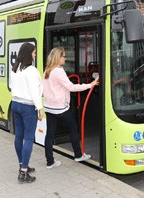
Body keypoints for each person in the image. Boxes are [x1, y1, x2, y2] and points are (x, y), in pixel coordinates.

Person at [43, 47, 99, 169]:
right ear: (58, 57)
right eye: (64, 56)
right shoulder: (58, 71)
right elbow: (71, 87)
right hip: (60, 108)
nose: (65, 58)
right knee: (73, 128)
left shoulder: (47, 70)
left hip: (49, 107)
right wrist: (90, 85)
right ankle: (78, 155)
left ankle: (50, 161)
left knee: (49, 134)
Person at [10, 42, 44, 183]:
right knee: (29, 138)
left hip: (15, 104)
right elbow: (34, 92)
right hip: (28, 107)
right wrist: (40, 108)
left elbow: (12, 86)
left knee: (19, 136)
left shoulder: (15, 68)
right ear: (29, 53)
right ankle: (23, 173)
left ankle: (22, 165)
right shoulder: (31, 70)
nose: (35, 55)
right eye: (34, 53)